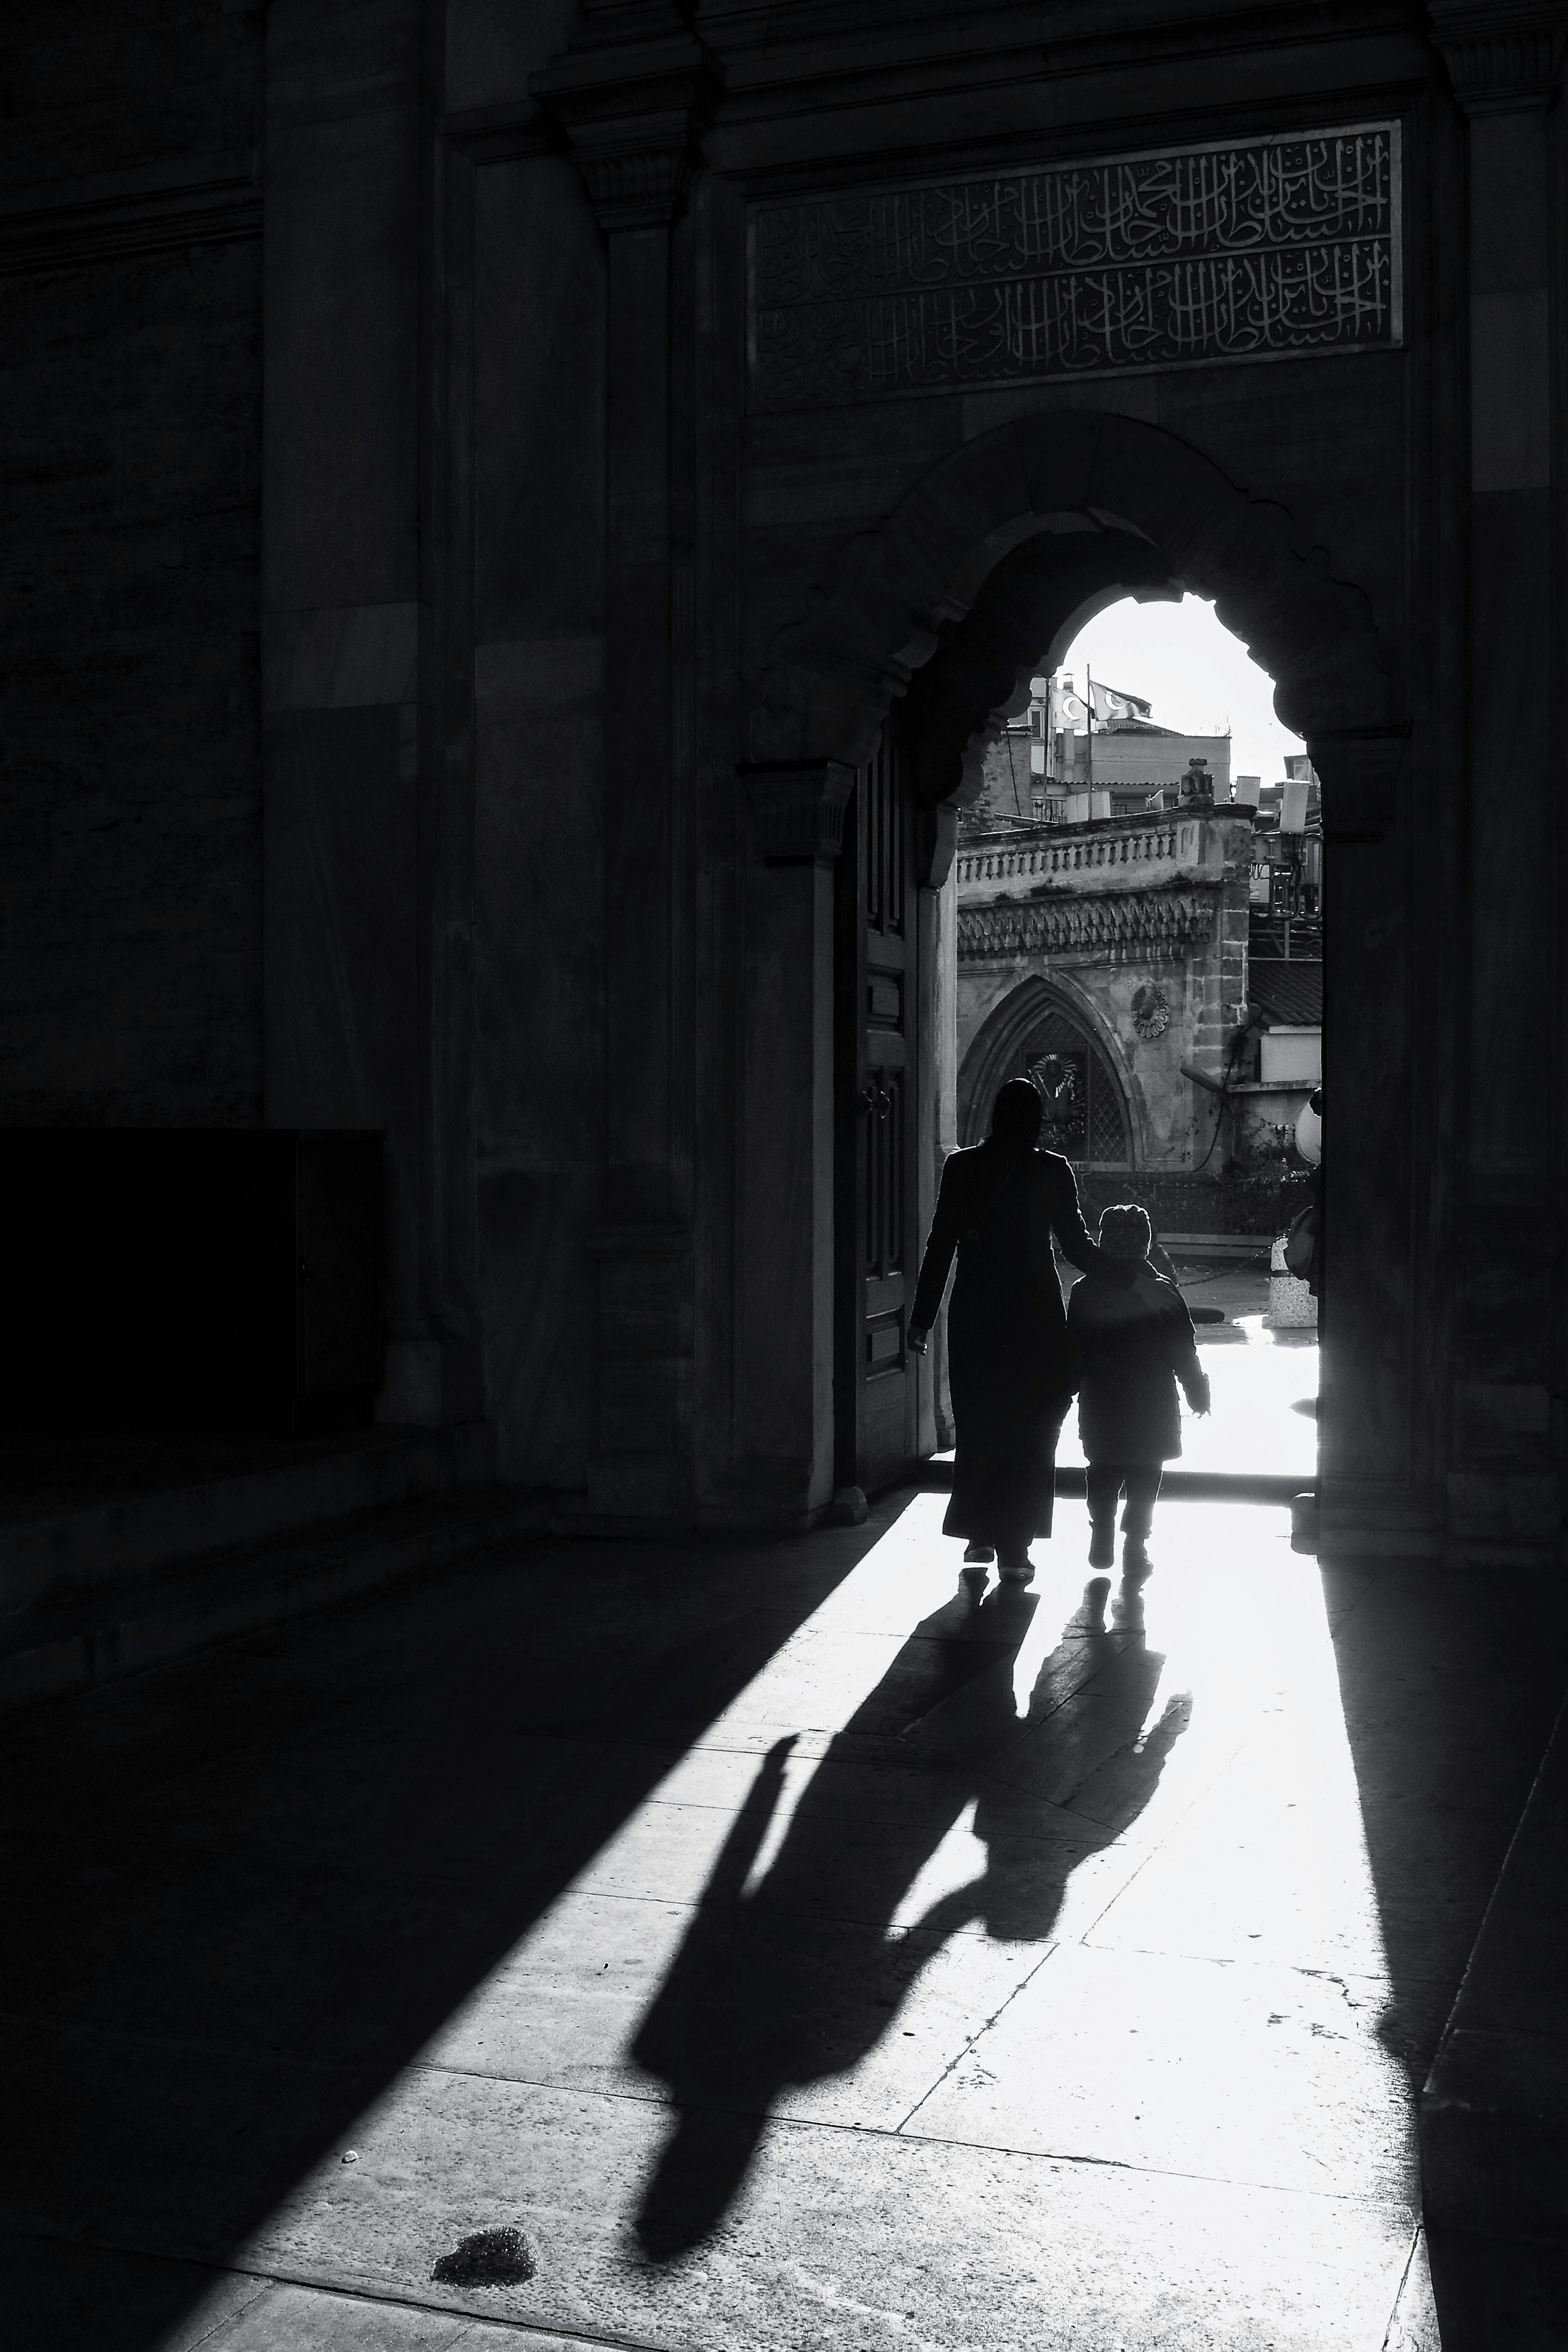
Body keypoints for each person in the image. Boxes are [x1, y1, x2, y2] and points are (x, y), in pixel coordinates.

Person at [908, 1078, 1104, 1584]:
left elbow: (940, 1245)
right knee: (1031, 1432)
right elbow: (1076, 1245)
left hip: (977, 1311)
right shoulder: (1052, 1169)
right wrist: (1126, 1272)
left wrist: (921, 1318)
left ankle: (979, 1532)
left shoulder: (962, 1166)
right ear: (1037, 1119)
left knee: (979, 1425)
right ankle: (1016, 1547)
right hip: (1034, 1314)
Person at [1066, 1202, 1210, 1577]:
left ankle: (1102, 1531)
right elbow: (1183, 1349)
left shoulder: (1085, 1290)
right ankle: (1135, 1544)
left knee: (1102, 1468)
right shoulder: (1163, 1292)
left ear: (1102, 1242)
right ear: (1146, 1243)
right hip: (1153, 1401)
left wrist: (1064, 1389)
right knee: (1147, 1473)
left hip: (1101, 1400)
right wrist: (1197, 1391)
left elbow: (1074, 1349)